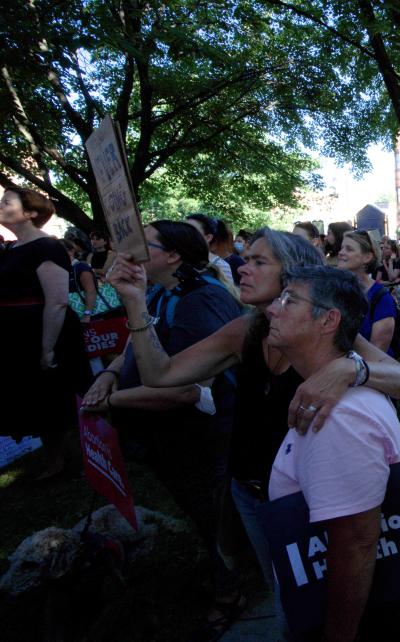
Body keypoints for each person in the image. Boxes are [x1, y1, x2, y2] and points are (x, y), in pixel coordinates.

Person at [98, 227, 400, 630]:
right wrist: (135, 303)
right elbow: (160, 374)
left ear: (293, 275)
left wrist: (348, 366)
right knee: (286, 590)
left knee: (324, 594)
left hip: (310, 498)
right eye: (246, 259)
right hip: (250, 491)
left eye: (258, 261)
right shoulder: (246, 330)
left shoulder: (327, 333)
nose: (242, 269)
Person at [85, 220, 244, 635]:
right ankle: (220, 571)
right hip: (169, 437)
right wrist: (108, 377)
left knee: (216, 517)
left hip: (204, 438)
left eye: (144, 244)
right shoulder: (156, 291)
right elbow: (131, 347)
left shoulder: (200, 301)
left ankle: (231, 592)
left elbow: (186, 390)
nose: (130, 250)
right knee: (198, 511)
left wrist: (109, 403)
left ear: (173, 255)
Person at [265, 265, 400, 642]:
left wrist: (338, 636)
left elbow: (355, 545)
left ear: (328, 320)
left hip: (355, 615)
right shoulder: (331, 398)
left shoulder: (338, 419)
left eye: (289, 300)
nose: (272, 308)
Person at [0, 186, 92, 479]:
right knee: (38, 400)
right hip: (20, 337)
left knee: (60, 396)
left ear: (30, 213)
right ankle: (54, 459)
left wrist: (47, 347)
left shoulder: (47, 247)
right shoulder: (12, 248)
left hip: (49, 334)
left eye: (6, 202)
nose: (0, 205)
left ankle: (83, 457)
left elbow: (57, 301)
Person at [339, 230, 398, 355]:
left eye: (349, 249)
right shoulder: (336, 290)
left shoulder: (382, 299)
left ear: (367, 257)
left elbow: (377, 353)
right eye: (342, 248)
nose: (341, 252)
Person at [185, 213, 234, 282]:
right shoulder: (177, 259)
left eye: (192, 231)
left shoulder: (221, 266)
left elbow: (228, 291)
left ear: (208, 238)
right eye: (183, 230)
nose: (185, 234)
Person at [60, 238, 98, 324]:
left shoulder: (81, 267)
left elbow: (90, 291)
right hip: (75, 318)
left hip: (90, 319)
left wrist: (87, 314)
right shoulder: (65, 270)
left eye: (60, 250)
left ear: (71, 251)